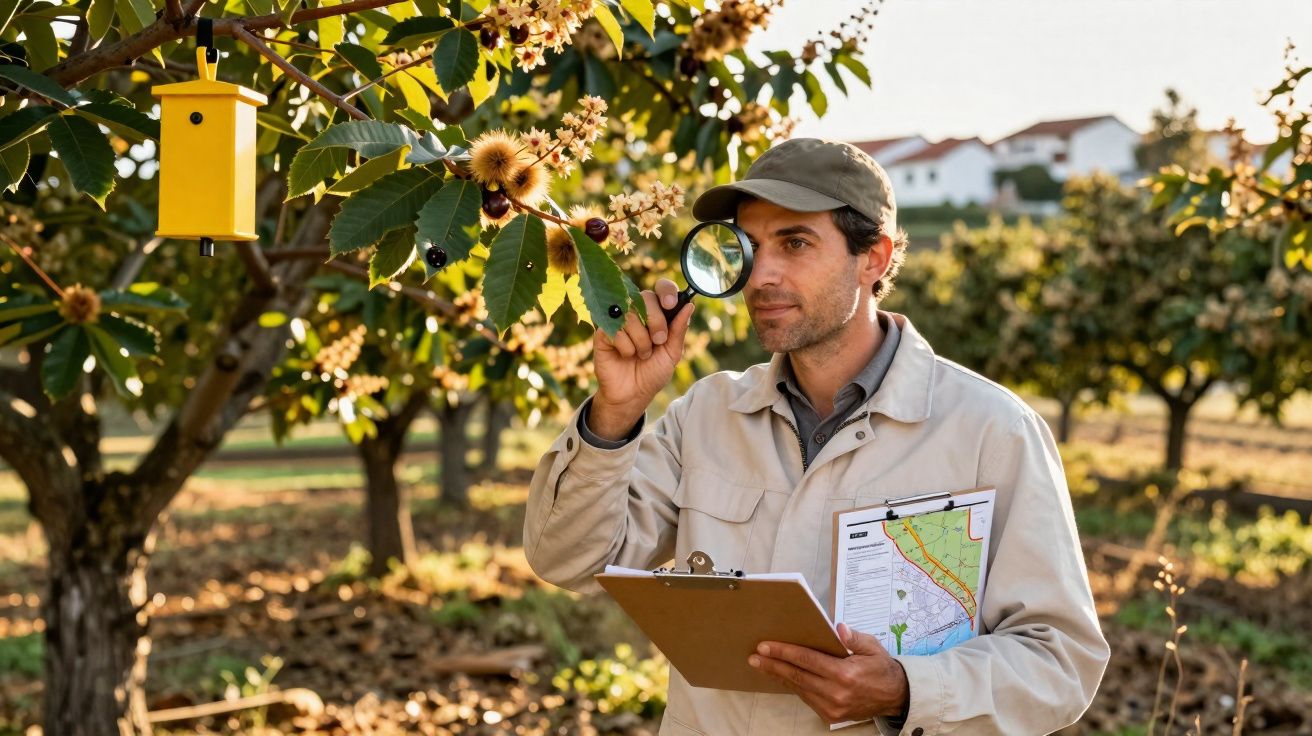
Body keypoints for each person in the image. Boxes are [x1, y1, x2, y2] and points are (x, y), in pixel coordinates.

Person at [524, 138, 1109, 735]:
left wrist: (909, 690)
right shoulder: (706, 413)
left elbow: (1062, 662)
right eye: (748, 248)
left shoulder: (992, 430)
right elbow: (569, 560)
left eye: (795, 243)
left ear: (874, 258)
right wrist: (616, 412)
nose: (762, 274)